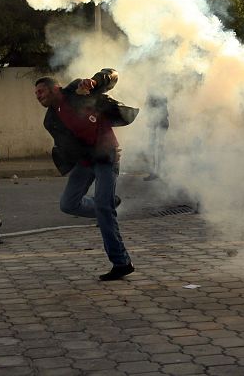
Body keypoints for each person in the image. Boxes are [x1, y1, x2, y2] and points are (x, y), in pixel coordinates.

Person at [34, 69, 139, 281]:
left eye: (42, 91)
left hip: (105, 157)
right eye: (36, 93)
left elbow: (112, 75)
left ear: (56, 88)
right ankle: (107, 205)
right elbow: (67, 145)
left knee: (103, 207)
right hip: (85, 162)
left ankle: (121, 262)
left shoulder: (78, 91)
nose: (38, 96)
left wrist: (96, 80)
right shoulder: (50, 120)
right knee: (68, 204)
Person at [144, 93, 169, 181]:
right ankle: (156, 172)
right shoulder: (157, 91)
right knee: (156, 148)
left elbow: (148, 106)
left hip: (160, 123)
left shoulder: (157, 92)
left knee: (158, 148)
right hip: (157, 123)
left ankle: (158, 172)